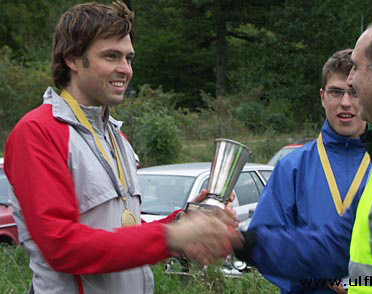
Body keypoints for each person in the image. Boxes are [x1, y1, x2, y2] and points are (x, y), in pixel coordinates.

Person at [3, 2, 237, 294]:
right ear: (73, 59)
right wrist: (171, 235)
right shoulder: (38, 132)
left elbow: (126, 235)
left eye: (128, 58)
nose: (125, 69)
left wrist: (186, 220)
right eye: (111, 56)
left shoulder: (117, 138)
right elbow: (62, 247)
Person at [235, 13, 372, 293]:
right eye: (337, 90)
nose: (352, 81)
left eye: (357, 69)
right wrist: (239, 242)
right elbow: (332, 248)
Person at [248, 49, 370, 294]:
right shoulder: (292, 166)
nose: (345, 102)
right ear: (323, 97)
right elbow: (264, 241)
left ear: (371, 96)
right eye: (336, 92)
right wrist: (317, 275)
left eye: (355, 92)